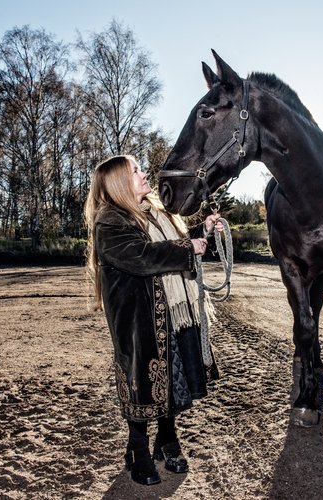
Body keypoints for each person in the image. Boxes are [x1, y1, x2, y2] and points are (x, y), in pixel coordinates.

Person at [84, 155, 222, 486]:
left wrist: (201, 233)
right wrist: (187, 248)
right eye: (135, 170)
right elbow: (144, 257)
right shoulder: (111, 222)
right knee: (142, 382)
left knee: (173, 379)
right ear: (118, 183)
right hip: (139, 320)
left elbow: (172, 243)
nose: (144, 174)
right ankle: (137, 448)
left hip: (173, 311)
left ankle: (167, 438)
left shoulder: (158, 212)